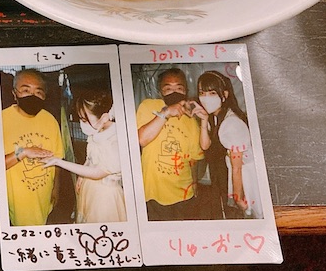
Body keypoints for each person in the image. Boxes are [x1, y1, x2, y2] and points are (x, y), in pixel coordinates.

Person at [136, 67, 211, 221]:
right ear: (160, 91)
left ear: (186, 91)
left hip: (184, 195)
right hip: (153, 194)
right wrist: (166, 112)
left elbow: (193, 158)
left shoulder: (190, 119)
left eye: (179, 88)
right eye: (168, 89)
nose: (174, 92)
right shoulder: (148, 106)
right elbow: (142, 139)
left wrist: (194, 183)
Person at [43, 89, 126, 223]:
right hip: (90, 189)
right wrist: (82, 175)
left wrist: (59, 162)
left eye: (84, 119)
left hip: (105, 198)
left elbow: (98, 173)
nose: (82, 124)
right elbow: (91, 158)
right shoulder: (98, 131)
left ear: (104, 117)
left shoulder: (115, 140)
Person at [1, 68, 65, 226]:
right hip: (16, 200)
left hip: (43, 197)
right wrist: (24, 152)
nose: (32, 96)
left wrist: (56, 187)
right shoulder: (1, 120)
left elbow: (58, 158)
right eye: (26, 90)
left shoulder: (50, 120)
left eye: (38, 92)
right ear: (14, 93)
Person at [197, 70, 261, 219]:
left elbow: (237, 167)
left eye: (212, 93)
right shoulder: (214, 116)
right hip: (230, 173)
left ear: (224, 95)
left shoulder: (231, 123)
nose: (206, 98)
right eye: (202, 93)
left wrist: (237, 198)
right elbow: (205, 146)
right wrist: (204, 120)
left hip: (245, 176)